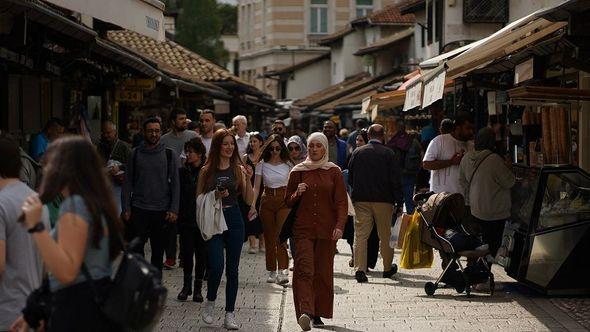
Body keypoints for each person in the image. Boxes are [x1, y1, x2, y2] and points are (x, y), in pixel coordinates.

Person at [16, 136, 123, 331]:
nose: (44, 169)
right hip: (92, 306)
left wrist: (37, 227)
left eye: (49, 163)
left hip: (76, 311)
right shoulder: (95, 203)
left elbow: (66, 272)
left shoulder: (76, 205)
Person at [285, 132, 348, 330]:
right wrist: (297, 192)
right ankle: (306, 311)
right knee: (304, 269)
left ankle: (318, 312)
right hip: (302, 229)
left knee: (322, 272)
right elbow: (287, 200)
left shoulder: (334, 171)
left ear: (324, 148)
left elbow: (341, 202)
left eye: (317, 146)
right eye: (311, 146)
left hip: (326, 230)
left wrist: (339, 226)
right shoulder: (298, 171)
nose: (313, 150)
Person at [197, 129, 254, 330]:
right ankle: (210, 303)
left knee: (232, 270)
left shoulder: (238, 168)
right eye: (225, 144)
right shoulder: (206, 170)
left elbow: (248, 200)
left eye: (232, 144)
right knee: (216, 266)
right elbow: (198, 199)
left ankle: (229, 314)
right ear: (217, 146)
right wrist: (215, 196)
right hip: (214, 219)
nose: (230, 147)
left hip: (234, 219)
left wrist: (247, 179)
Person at [0, 135, 50, 331]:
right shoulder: (37, 201)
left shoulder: (1, 203)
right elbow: (46, 264)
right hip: (32, 311)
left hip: (6, 314)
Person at [121, 117, 180, 272]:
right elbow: (127, 183)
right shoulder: (134, 154)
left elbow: (175, 184)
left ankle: (155, 287)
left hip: (161, 211)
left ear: (161, 132)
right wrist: (126, 208)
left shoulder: (169, 154)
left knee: (158, 253)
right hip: (139, 209)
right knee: (137, 251)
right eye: (150, 131)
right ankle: (140, 284)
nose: (153, 134)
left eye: (156, 131)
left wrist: (174, 209)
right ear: (144, 132)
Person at [348, 124, 403, 283]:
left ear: (369, 134)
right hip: (384, 201)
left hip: (361, 200)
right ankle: (387, 268)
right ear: (383, 135)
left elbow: (350, 177)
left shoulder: (358, 152)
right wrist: (399, 202)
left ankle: (360, 269)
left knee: (361, 235)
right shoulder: (388, 153)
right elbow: (395, 180)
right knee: (385, 235)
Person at [459, 127, 515, 263]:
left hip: (474, 209)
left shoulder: (466, 158)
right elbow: (509, 182)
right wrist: (509, 167)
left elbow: (462, 182)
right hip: (495, 212)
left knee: (478, 245)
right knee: (491, 247)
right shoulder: (494, 159)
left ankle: (474, 272)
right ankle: (484, 276)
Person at [251, 134, 293, 285]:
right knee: (269, 237)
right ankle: (271, 270)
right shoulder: (262, 163)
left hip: (283, 200)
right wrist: (252, 205)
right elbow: (256, 187)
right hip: (267, 199)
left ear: (282, 148)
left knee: (281, 236)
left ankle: (282, 270)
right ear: (268, 148)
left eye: (278, 148)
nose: (275, 151)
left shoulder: (289, 164)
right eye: (272, 148)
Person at [160, 108, 197, 269]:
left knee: (186, 222)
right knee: (170, 223)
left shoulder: (193, 137)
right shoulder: (164, 140)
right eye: (181, 119)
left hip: (188, 186)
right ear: (173, 121)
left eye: (185, 118)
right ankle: (170, 257)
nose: (184, 121)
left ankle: (184, 255)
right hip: (169, 186)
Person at [342, 129, 379, 269]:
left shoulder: (373, 156)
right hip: (353, 200)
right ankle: (355, 257)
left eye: (361, 140)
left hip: (371, 199)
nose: (358, 143)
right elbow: (346, 176)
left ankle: (368, 261)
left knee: (371, 233)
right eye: (356, 140)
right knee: (353, 233)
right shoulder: (352, 156)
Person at [177, 138, 208, 302]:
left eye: (190, 152)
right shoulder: (182, 172)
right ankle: (186, 286)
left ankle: (197, 289)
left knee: (201, 255)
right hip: (186, 219)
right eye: (186, 151)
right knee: (187, 254)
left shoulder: (207, 171)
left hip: (202, 220)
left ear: (200, 154)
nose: (187, 155)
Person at [423, 112, 475, 196]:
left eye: (472, 129)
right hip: (441, 199)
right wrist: (450, 162)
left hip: (463, 199)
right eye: (468, 128)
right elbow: (426, 164)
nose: (471, 132)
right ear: (458, 128)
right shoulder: (439, 141)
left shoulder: (471, 146)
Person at [387, 119, 422, 214]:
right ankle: (410, 224)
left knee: (395, 202)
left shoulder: (392, 141)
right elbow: (420, 157)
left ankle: (393, 226)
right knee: (409, 201)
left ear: (397, 128)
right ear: (405, 128)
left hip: (396, 175)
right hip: (410, 174)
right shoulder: (414, 142)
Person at [96, 120, 132, 214]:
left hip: (119, 186)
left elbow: (133, 164)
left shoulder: (123, 146)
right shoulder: (100, 146)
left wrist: (119, 168)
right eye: (104, 133)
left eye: (109, 132)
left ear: (115, 132)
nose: (106, 135)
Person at [242, 133, 265, 254]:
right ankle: (252, 244)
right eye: (251, 142)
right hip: (249, 189)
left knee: (261, 216)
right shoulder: (246, 157)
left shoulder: (264, 157)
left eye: (255, 141)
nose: (252, 144)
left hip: (262, 189)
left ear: (261, 143)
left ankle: (262, 242)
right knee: (250, 215)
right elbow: (242, 172)